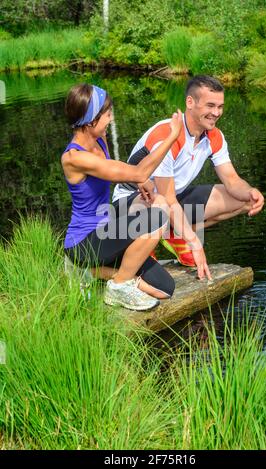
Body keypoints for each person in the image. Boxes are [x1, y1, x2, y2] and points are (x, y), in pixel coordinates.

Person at [113, 75, 265, 280]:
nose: (216, 113)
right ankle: (146, 243)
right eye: (210, 105)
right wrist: (195, 242)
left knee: (244, 200)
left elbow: (231, 180)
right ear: (190, 102)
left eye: (220, 106)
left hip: (168, 202)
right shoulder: (167, 134)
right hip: (131, 206)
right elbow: (166, 198)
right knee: (161, 205)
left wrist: (250, 191)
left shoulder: (214, 136)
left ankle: (174, 234)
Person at [62, 83, 183, 311]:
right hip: (84, 242)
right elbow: (138, 170)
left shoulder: (99, 139)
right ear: (91, 120)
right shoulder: (74, 158)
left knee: (164, 289)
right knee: (158, 216)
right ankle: (118, 287)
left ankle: (90, 272)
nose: (111, 119)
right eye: (107, 115)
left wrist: (139, 180)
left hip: (106, 232)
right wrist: (172, 136)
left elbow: (116, 170)